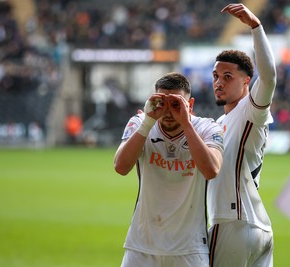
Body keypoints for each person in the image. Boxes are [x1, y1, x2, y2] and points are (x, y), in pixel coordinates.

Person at [114, 72, 224, 267]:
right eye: (162, 103)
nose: (168, 111)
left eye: (176, 104)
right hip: (142, 245)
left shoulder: (208, 128)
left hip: (190, 248)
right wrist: (148, 122)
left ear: (190, 105)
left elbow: (211, 170)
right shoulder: (141, 123)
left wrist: (186, 123)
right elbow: (121, 167)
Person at [206, 4, 277, 267]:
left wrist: (255, 27)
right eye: (215, 76)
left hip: (232, 224)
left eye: (227, 76)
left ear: (247, 81)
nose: (219, 82)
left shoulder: (250, 110)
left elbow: (269, 78)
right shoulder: (221, 122)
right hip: (259, 228)